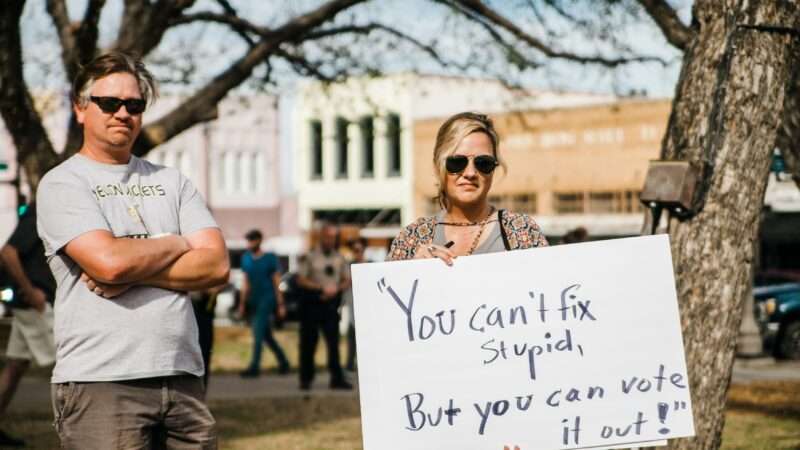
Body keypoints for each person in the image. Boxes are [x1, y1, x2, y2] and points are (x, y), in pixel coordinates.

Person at [36, 52, 229, 449]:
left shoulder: (173, 181)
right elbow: (108, 263)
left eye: (134, 105)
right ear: (80, 109)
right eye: (109, 103)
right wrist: (177, 242)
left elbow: (216, 266)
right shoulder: (63, 183)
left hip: (183, 378)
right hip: (102, 381)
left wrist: (132, 269)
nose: (123, 113)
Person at [388, 112, 548, 263]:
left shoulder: (521, 231)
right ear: (437, 167)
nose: (470, 173)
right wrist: (413, 271)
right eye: (457, 162)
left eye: (483, 163)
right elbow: (386, 283)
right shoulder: (411, 239)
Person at [0, 204, 56, 447]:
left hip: (34, 303)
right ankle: (80, 428)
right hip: (34, 304)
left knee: (16, 366)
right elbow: (8, 252)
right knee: (65, 363)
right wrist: (31, 292)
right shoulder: (42, 208)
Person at [295, 223, 352, 390]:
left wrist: (336, 289)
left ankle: (336, 378)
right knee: (308, 344)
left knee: (333, 344)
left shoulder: (339, 258)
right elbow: (301, 279)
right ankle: (306, 379)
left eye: (333, 237)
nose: (330, 240)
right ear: (321, 237)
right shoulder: (310, 256)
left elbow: (347, 279)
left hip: (331, 305)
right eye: (327, 237)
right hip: (312, 304)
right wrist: (321, 288)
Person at [238, 229, 290, 377]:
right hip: (253, 300)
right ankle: (284, 362)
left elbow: (276, 281)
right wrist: (242, 303)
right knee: (267, 336)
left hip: (267, 299)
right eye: (248, 241)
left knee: (258, 332)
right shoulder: (246, 259)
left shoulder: (269, 259)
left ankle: (254, 367)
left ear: (259, 240)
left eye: (252, 240)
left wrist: (281, 304)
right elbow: (245, 282)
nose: (249, 244)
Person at [343, 237, 368, 372]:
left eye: (359, 250)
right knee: (351, 336)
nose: (357, 253)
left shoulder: (369, 265)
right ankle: (349, 364)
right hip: (352, 305)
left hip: (366, 307)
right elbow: (346, 282)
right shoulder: (349, 266)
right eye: (355, 250)